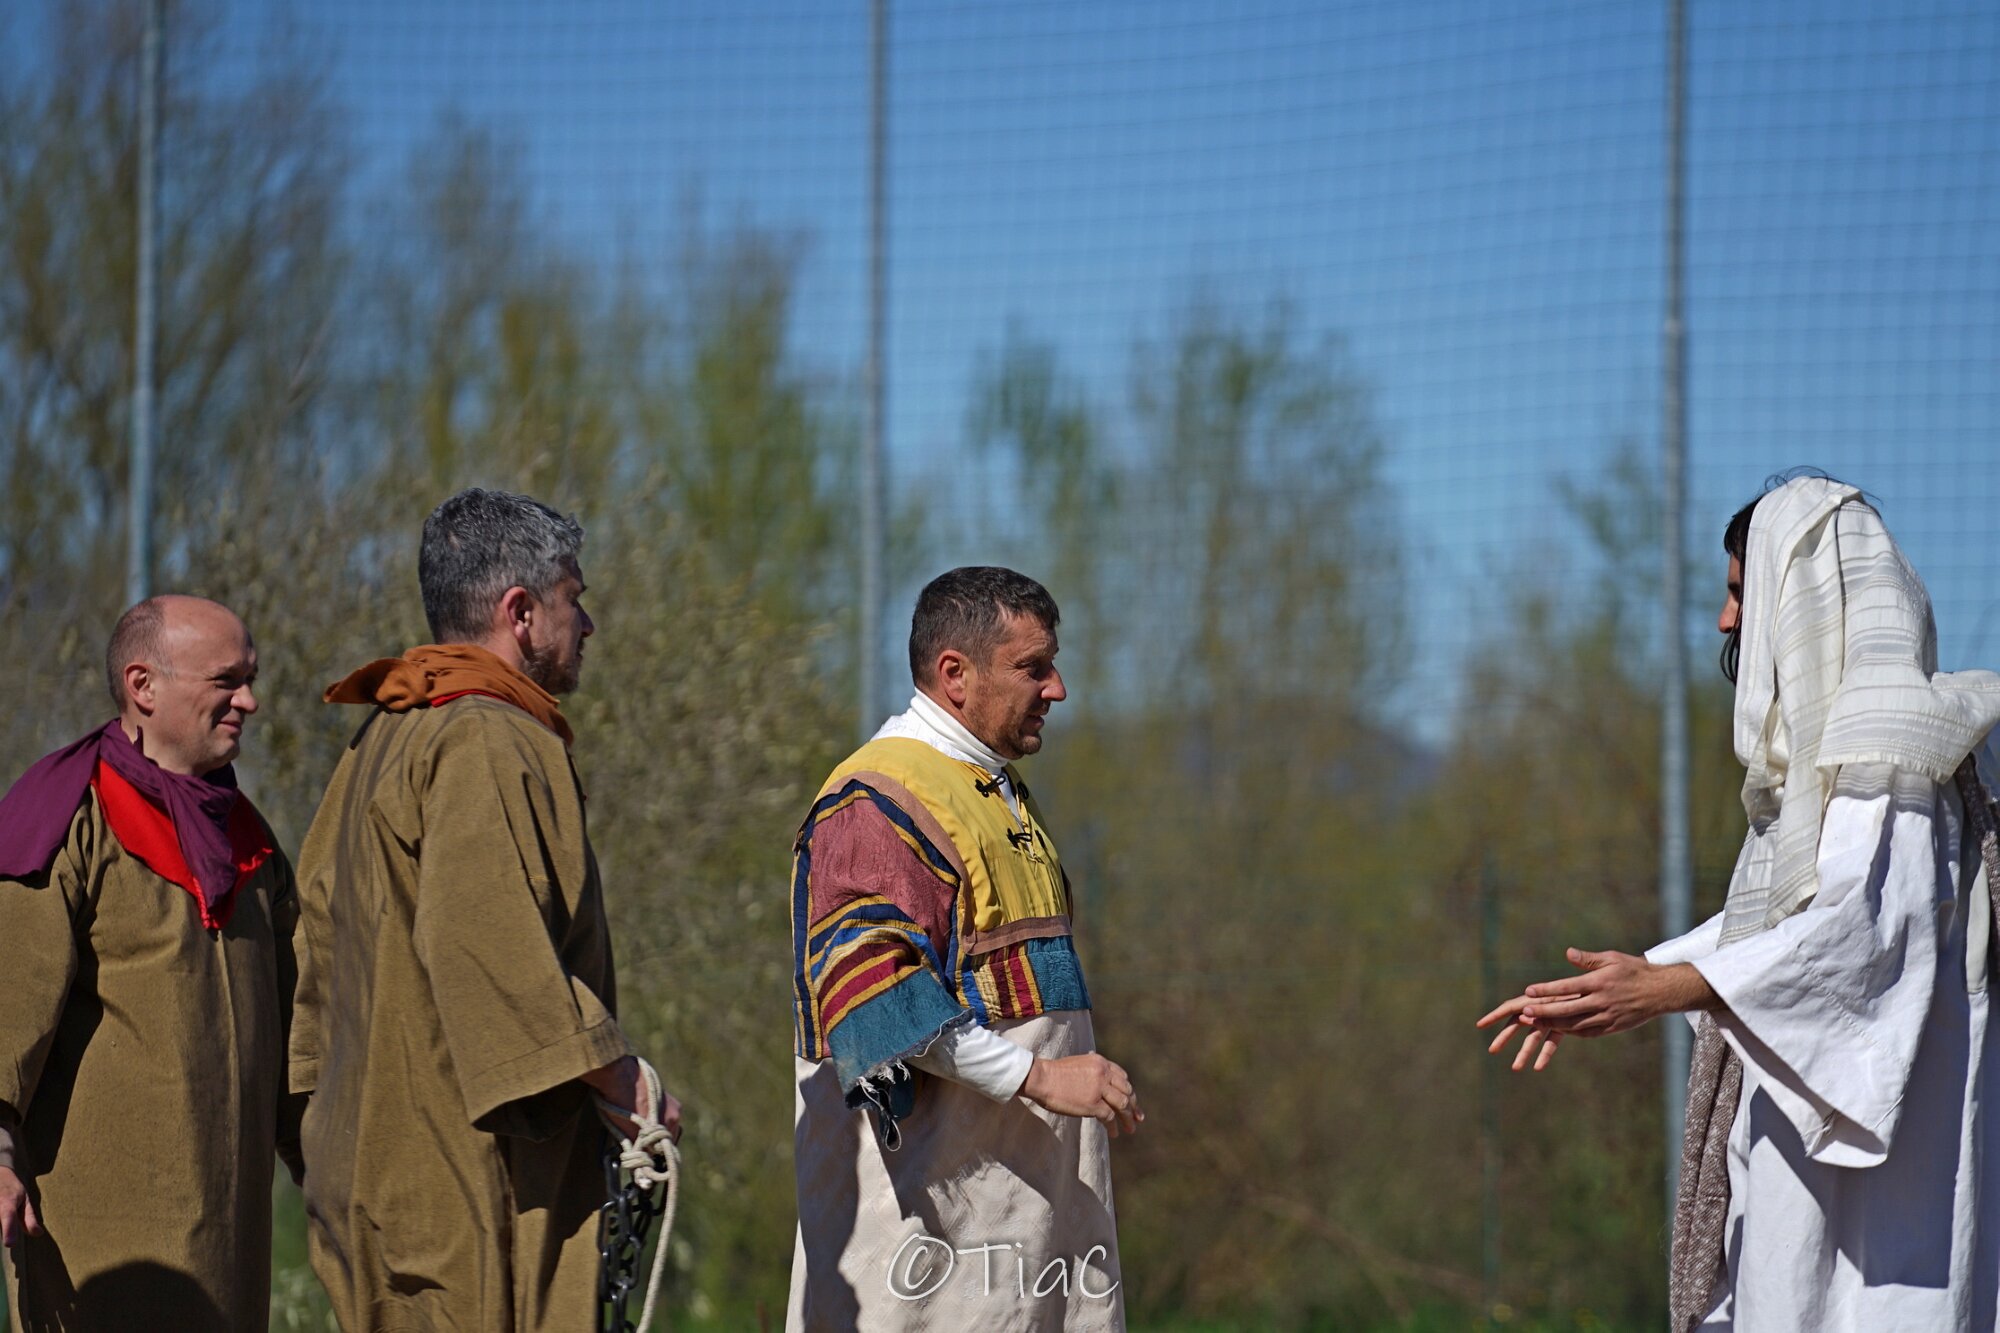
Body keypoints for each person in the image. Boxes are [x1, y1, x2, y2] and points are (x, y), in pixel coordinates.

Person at [1478, 474, 2000, 1331]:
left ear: (1804, 601)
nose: (1726, 621)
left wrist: (1664, 989)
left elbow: (1856, 933)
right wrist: (1631, 978)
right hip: (1814, 1152)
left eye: (1740, 593)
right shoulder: (1839, 769)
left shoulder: (1894, 763)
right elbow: (1785, 921)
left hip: (1887, 1203)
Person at [290, 488, 681, 1330]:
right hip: (463, 1184)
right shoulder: (484, 734)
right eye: (573, 599)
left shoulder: (382, 737)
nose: (588, 624)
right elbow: (487, 945)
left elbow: (313, 939)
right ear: (520, 612)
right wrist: (621, 1077)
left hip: (374, 1165)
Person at [788, 566, 1140, 1331]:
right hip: (926, 1261)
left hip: (1021, 1238)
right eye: (1033, 667)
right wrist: (1041, 1076)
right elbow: (879, 1003)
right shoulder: (874, 800)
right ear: (955, 674)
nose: (1057, 689)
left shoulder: (989, 784)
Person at [0, 595, 301, 1330]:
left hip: (230, 1238)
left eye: (250, 679)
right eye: (226, 681)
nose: (249, 701)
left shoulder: (254, 845)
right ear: (144, 685)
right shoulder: (64, 817)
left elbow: (300, 1035)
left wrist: (332, 1166)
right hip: (102, 1248)